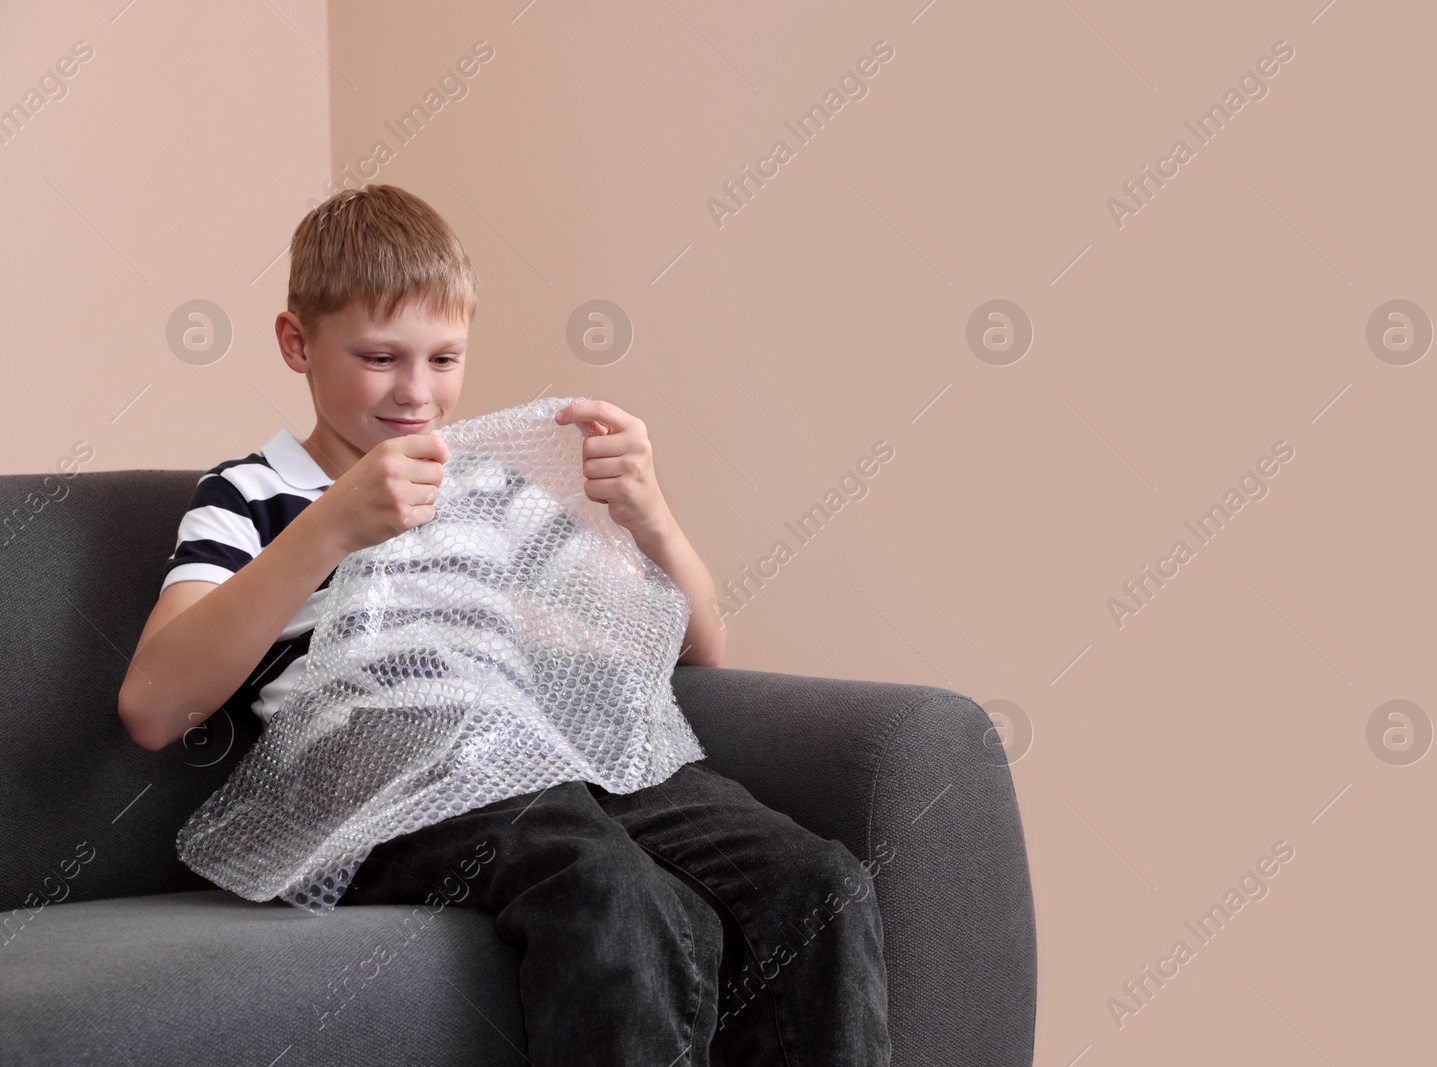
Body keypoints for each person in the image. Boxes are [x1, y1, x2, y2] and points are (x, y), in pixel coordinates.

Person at [116, 183, 892, 1066]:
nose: (417, 393)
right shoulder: (248, 494)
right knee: (607, 887)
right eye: (379, 357)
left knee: (816, 881)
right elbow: (153, 704)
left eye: (444, 360)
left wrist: (652, 517)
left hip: (538, 751)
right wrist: (332, 525)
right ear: (298, 343)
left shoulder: (486, 491)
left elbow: (698, 652)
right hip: (379, 776)